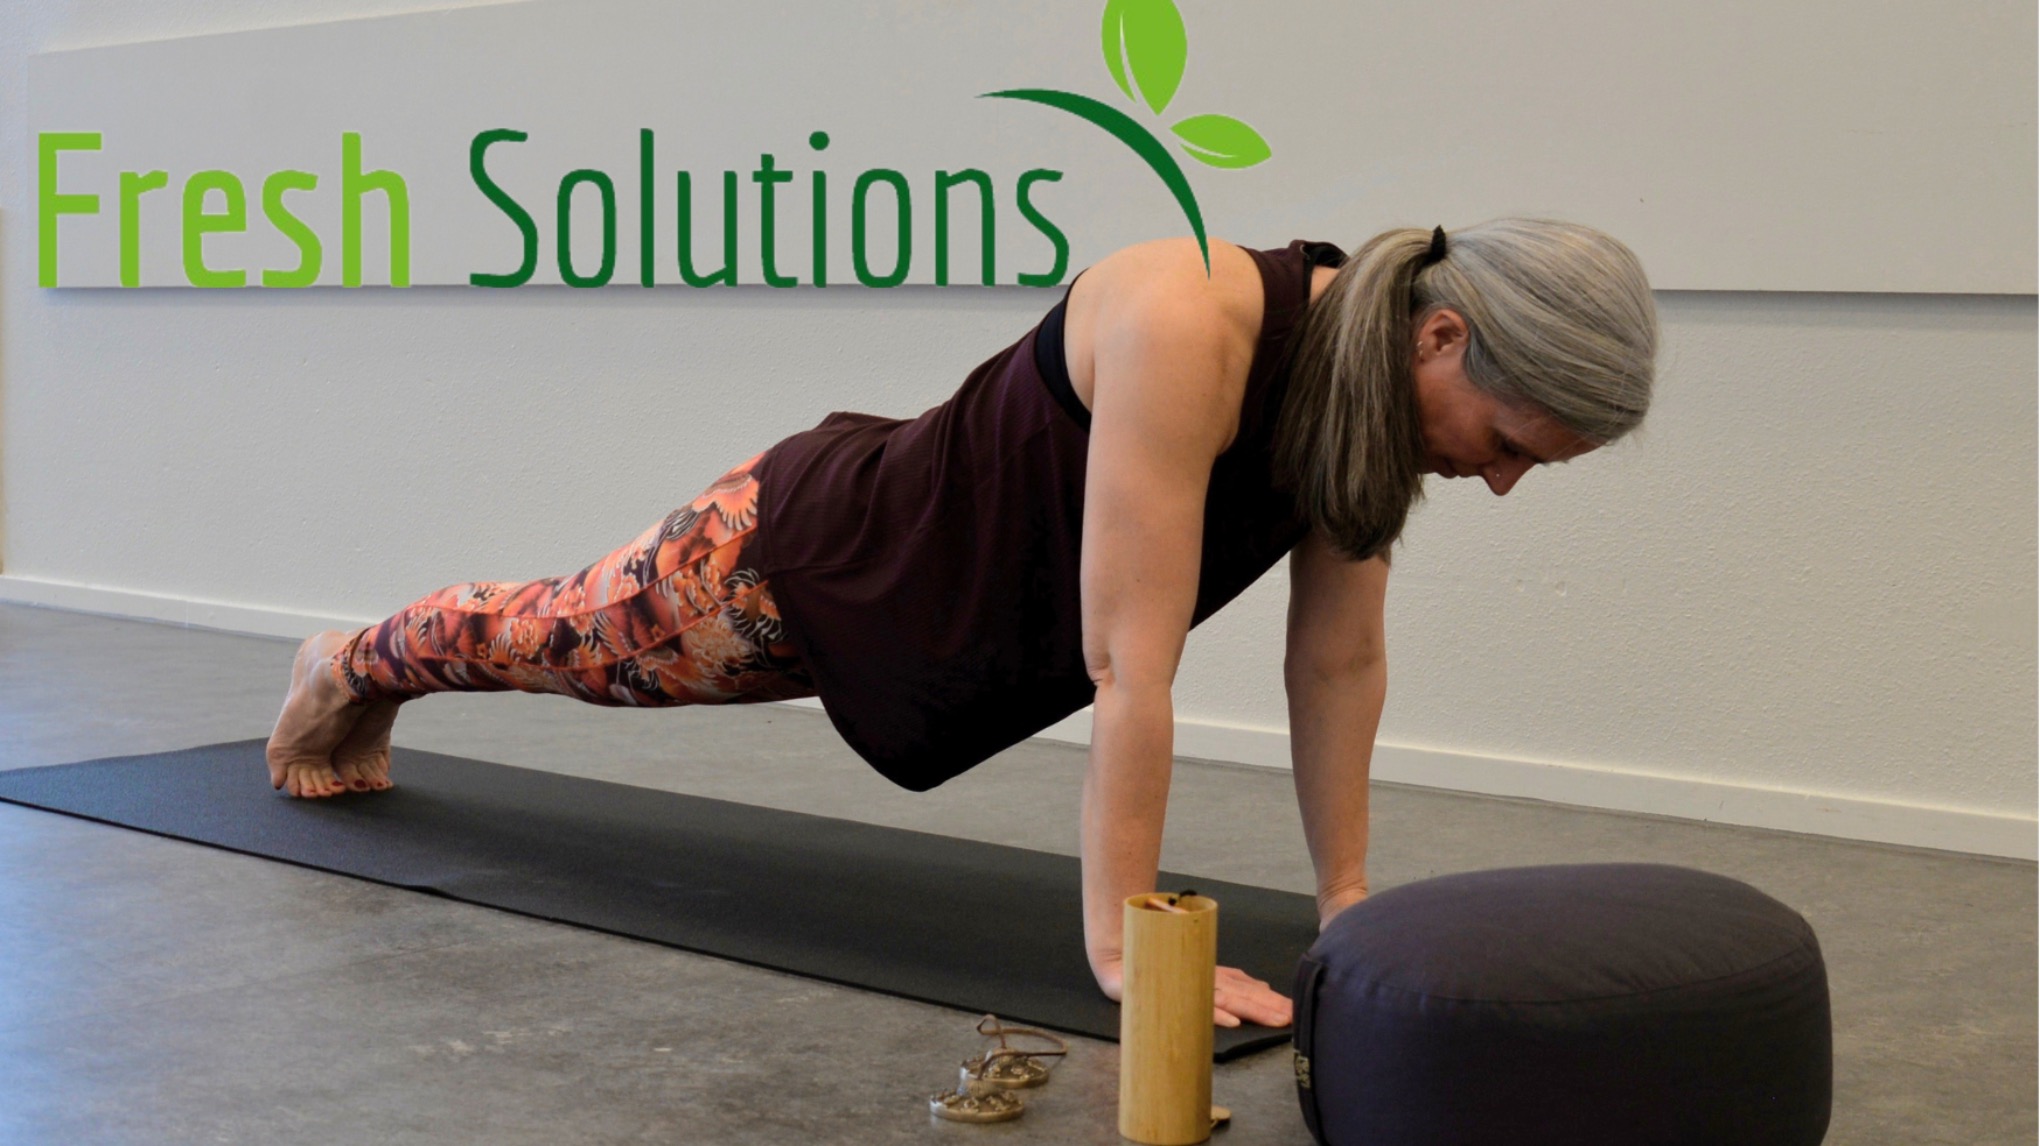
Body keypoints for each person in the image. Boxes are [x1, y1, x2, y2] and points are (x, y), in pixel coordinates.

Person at [265, 218, 1658, 1031]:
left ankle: (361, 664)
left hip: (928, 621)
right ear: (1441, 337)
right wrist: (1122, 941)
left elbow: (1339, 657)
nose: (1500, 482)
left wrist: (1346, 898)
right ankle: (346, 661)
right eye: (1507, 443)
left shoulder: (1363, 404)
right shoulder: (1196, 317)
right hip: (795, 561)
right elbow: (1130, 660)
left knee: (548, 640)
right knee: (543, 642)